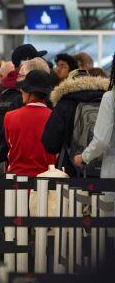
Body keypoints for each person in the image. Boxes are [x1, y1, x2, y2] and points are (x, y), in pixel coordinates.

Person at [0, 44, 46, 140]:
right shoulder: (41, 87)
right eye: (36, 60)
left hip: (3, 149)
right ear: (27, 62)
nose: (40, 63)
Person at [42, 69, 109, 173]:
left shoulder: (64, 103)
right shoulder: (106, 100)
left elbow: (50, 144)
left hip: (71, 169)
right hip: (104, 167)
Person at [0, 70, 57, 176]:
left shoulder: (10, 117)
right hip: (47, 181)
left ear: (29, 92)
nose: (21, 91)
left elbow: (10, 147)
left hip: (16, 180)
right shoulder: (54, 117)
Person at [74, 68, 115, 210]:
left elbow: (102, 140)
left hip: (112, 169)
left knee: (110, 223)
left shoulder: (111, 97)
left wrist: (84, 157)